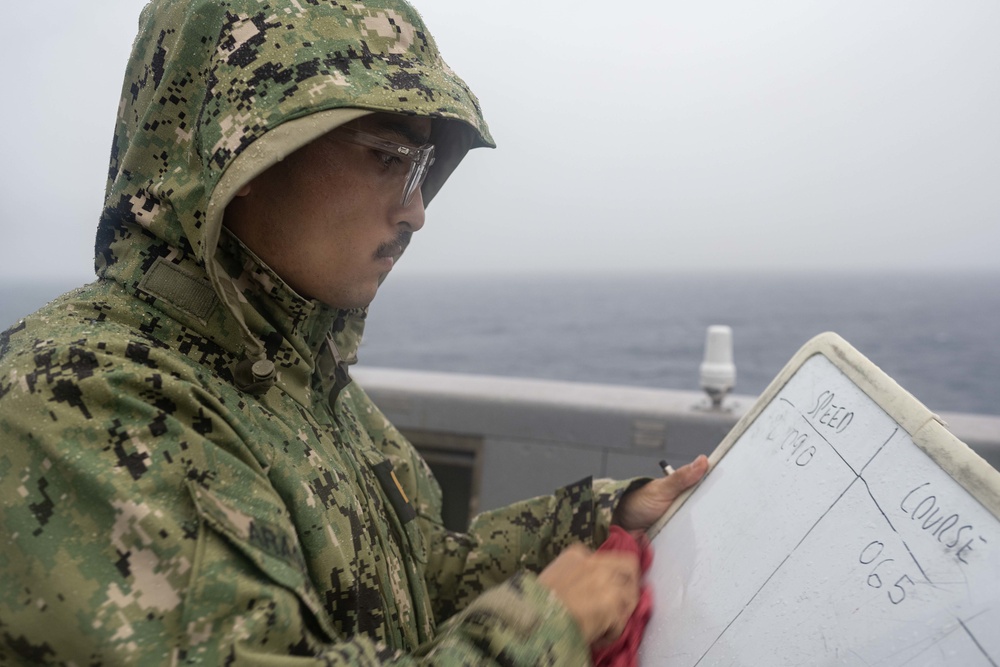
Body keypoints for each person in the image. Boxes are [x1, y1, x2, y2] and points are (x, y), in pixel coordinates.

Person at [0, 0, 707, 664]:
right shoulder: (76, 402)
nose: (415, 212)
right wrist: (540, 629)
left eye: (422, 167)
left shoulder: (298, 381)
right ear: (243, 148)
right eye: (387, 158)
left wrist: (597, 516)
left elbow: (414, 582)